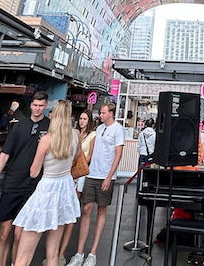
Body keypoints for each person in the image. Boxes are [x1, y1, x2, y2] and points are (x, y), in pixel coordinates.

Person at [12, 101, 81, 266]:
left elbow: (34, 172)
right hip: (65, 188)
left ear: (54, 116)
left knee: (24, 256)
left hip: (47, 189)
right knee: (52, 255)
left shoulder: (47, 139)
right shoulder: (76, 135)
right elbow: (76, 160)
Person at [0, 91, 50, 266]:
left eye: (41, 105)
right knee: (4, 232)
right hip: (12, 182)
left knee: (20, 234)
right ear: (31, 105)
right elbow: (4, 155)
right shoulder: (19, 125)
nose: (37, 108)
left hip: (33, 186)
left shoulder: (50, 126)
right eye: (35, 105)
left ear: (46, 106)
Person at [67, 101, 124, 266]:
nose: (101, 115)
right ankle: (79, 253)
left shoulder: (118, 130)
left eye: (104, 112)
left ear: (111, 113)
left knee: (101, 210)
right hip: (92, 174)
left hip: (105, 176)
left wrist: (109, 177)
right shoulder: (98, 129)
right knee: (86, 209)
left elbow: (118, 155)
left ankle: (92, 253)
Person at [59, 109, 96, 266]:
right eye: (80, 118)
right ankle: (60, 251)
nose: (82, 121)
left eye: (85, 119)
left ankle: (66, 252)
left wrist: (76, 162)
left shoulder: (92, 136)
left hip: (80, 173)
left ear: (90, 121)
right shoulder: (74, 134)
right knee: (66, 208)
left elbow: (89, 157)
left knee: (74, 208)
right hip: (68, 173)